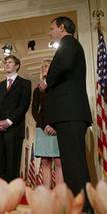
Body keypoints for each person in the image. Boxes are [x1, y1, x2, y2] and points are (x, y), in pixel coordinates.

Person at [41, 16, 93, 213]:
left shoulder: (69, 43)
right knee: (72, 167)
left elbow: (62, 67)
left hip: (71, 113)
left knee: (75, 167)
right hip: (69, 114)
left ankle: (84, 213)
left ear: (62, 28)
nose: (50, 32)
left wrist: (46, 82)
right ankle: (79, 210)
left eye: (52, 28)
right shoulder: (69, 45)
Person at [0, 55, 31, 183]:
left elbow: (23, 106)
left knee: (12, 165)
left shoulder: (25, 83)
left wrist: (8, 122)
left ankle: (11, 197)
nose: (7, 64)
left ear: (17, 66)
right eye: (6, 62)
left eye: (10, 62)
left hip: (14, 129)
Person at [31, 59, 63, 189]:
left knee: (58, 161)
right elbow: (34, 111)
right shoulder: (38, 90)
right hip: (42, 129)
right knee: (45, 161)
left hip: (57, 128)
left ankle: (60, 194)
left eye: (46, 66)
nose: (43, 68)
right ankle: (47, 194)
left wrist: (54, 126)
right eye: (42, 66)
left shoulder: (59, 87)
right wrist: (45, 126)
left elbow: (62, 108)